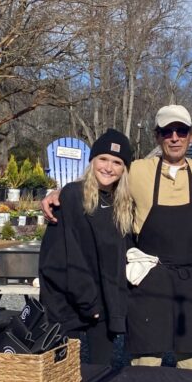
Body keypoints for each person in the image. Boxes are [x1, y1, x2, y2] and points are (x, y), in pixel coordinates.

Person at [125, 105, 192, 370]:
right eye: (167, 131)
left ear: (191, 135)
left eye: (181, 130)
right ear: (157, 137)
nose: (175, 137)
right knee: (146, 361)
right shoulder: (136, 171)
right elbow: (96, 180)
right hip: (150, 280)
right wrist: (57, 196)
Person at [38, 129, 134, 368]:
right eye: (103, 159)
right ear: (92, 161)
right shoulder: (71, 195)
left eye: (117, 162)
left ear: (124, 169)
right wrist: (87, 301)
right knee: (62, 375)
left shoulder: (122, 207)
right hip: (68, 303)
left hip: (102, 307)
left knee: (99, 373)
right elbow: (63, 256)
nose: (108, 167)